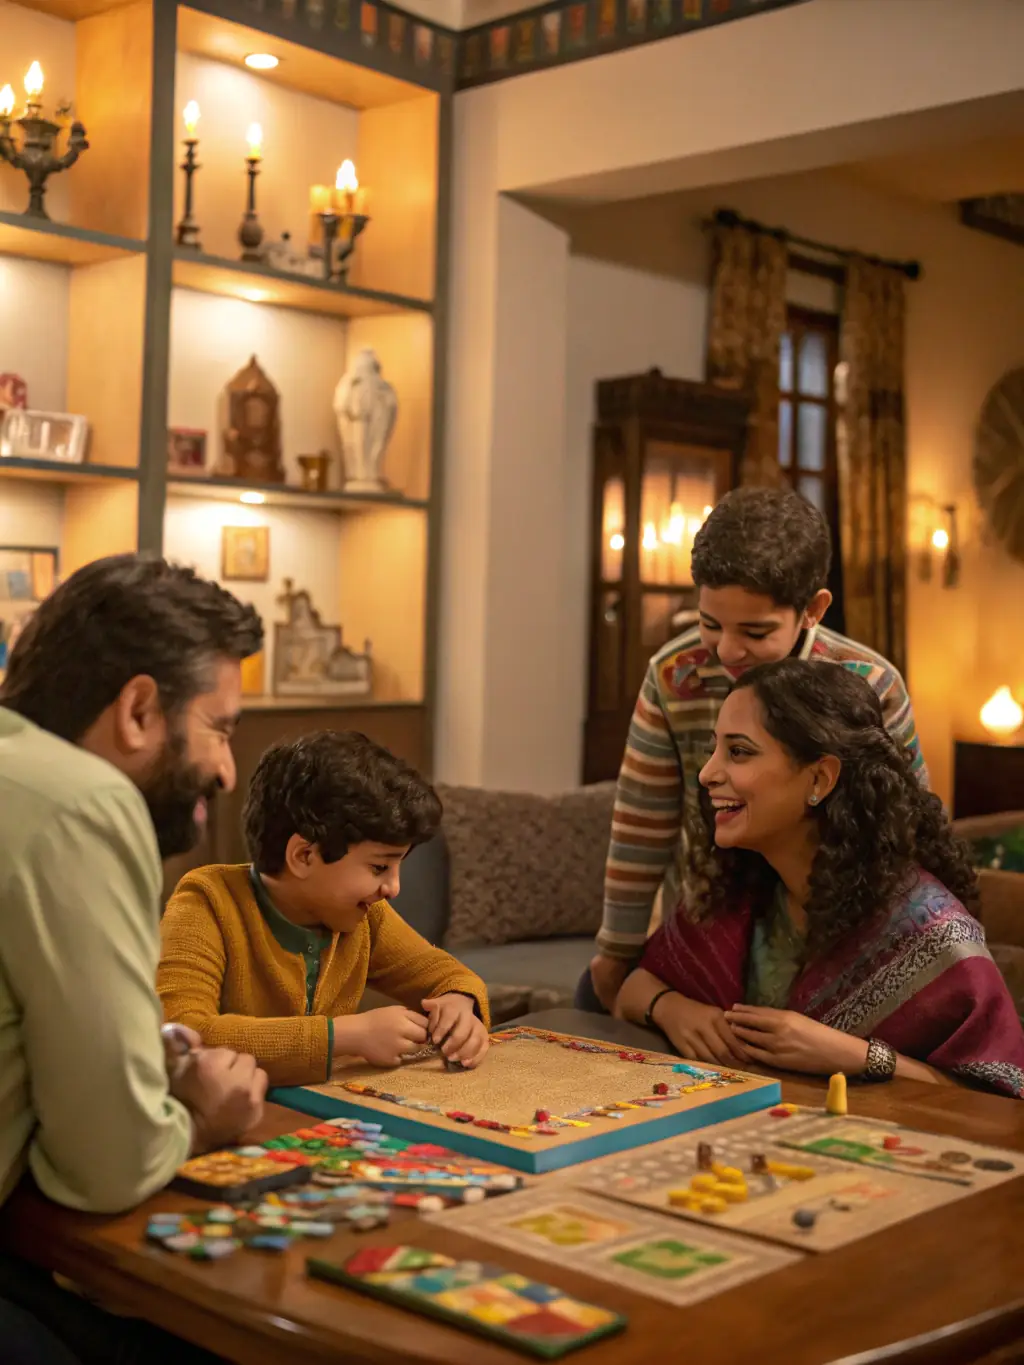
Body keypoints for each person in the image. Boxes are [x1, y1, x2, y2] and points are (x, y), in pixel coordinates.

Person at [0, 553, 270, 1363]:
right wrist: (203, 1120)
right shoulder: (84, 801)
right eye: (219, 727)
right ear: (140, 709)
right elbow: (106, 1167)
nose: (226, 767)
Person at [585, 486, 928, 1013]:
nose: (726, 650)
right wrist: (616, 951)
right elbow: (642, 825)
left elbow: (909, 830)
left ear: (812, 609)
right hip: (704, 932)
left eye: (755, 631)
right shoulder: (675, 676)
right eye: (709, 624)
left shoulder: (871, 684)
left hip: (835, 933)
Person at [614, 660, 1024, 1097]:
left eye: (739, 752)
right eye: (713, 749)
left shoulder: (931, 931)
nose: (707, 774)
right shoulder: (739, 887)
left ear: (820, 778)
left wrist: (860, 1057)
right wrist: (673, 1010)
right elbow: (632, 991)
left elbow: (998, 1098)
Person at [158, 731, 491, 1086]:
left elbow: (445, 973)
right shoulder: (207, 902)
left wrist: (459, 1001)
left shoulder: (365, 916)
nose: (394, 888)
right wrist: (342, 1036)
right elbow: (182, 1033)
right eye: (379, 867)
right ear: (304, 856)